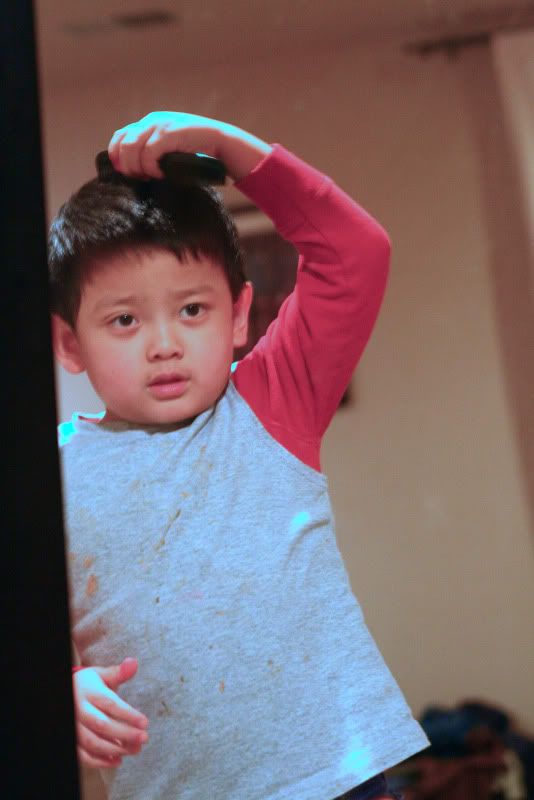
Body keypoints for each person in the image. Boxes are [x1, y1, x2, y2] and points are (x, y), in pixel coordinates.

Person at [50, 111, 429, 800]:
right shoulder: (49, 476)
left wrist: (226, 147)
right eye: (124, 320)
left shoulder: (271, 402)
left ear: (240, 315)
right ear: (70, 343)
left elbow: (356, 253)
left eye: (192, 310)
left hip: (342, 781)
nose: (164, 344)